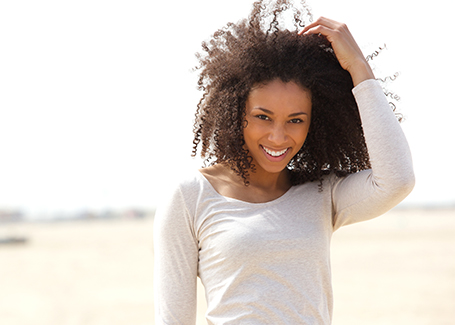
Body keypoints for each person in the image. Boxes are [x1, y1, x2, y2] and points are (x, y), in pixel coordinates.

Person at [153, 0, 415, 324]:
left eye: (295, 120)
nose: (278, 137)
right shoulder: (190, 197)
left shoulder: (321, 193)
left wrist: (360, 68)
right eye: (263, 117)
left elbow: (397, 179)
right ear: (236, 114)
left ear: (313, 123)